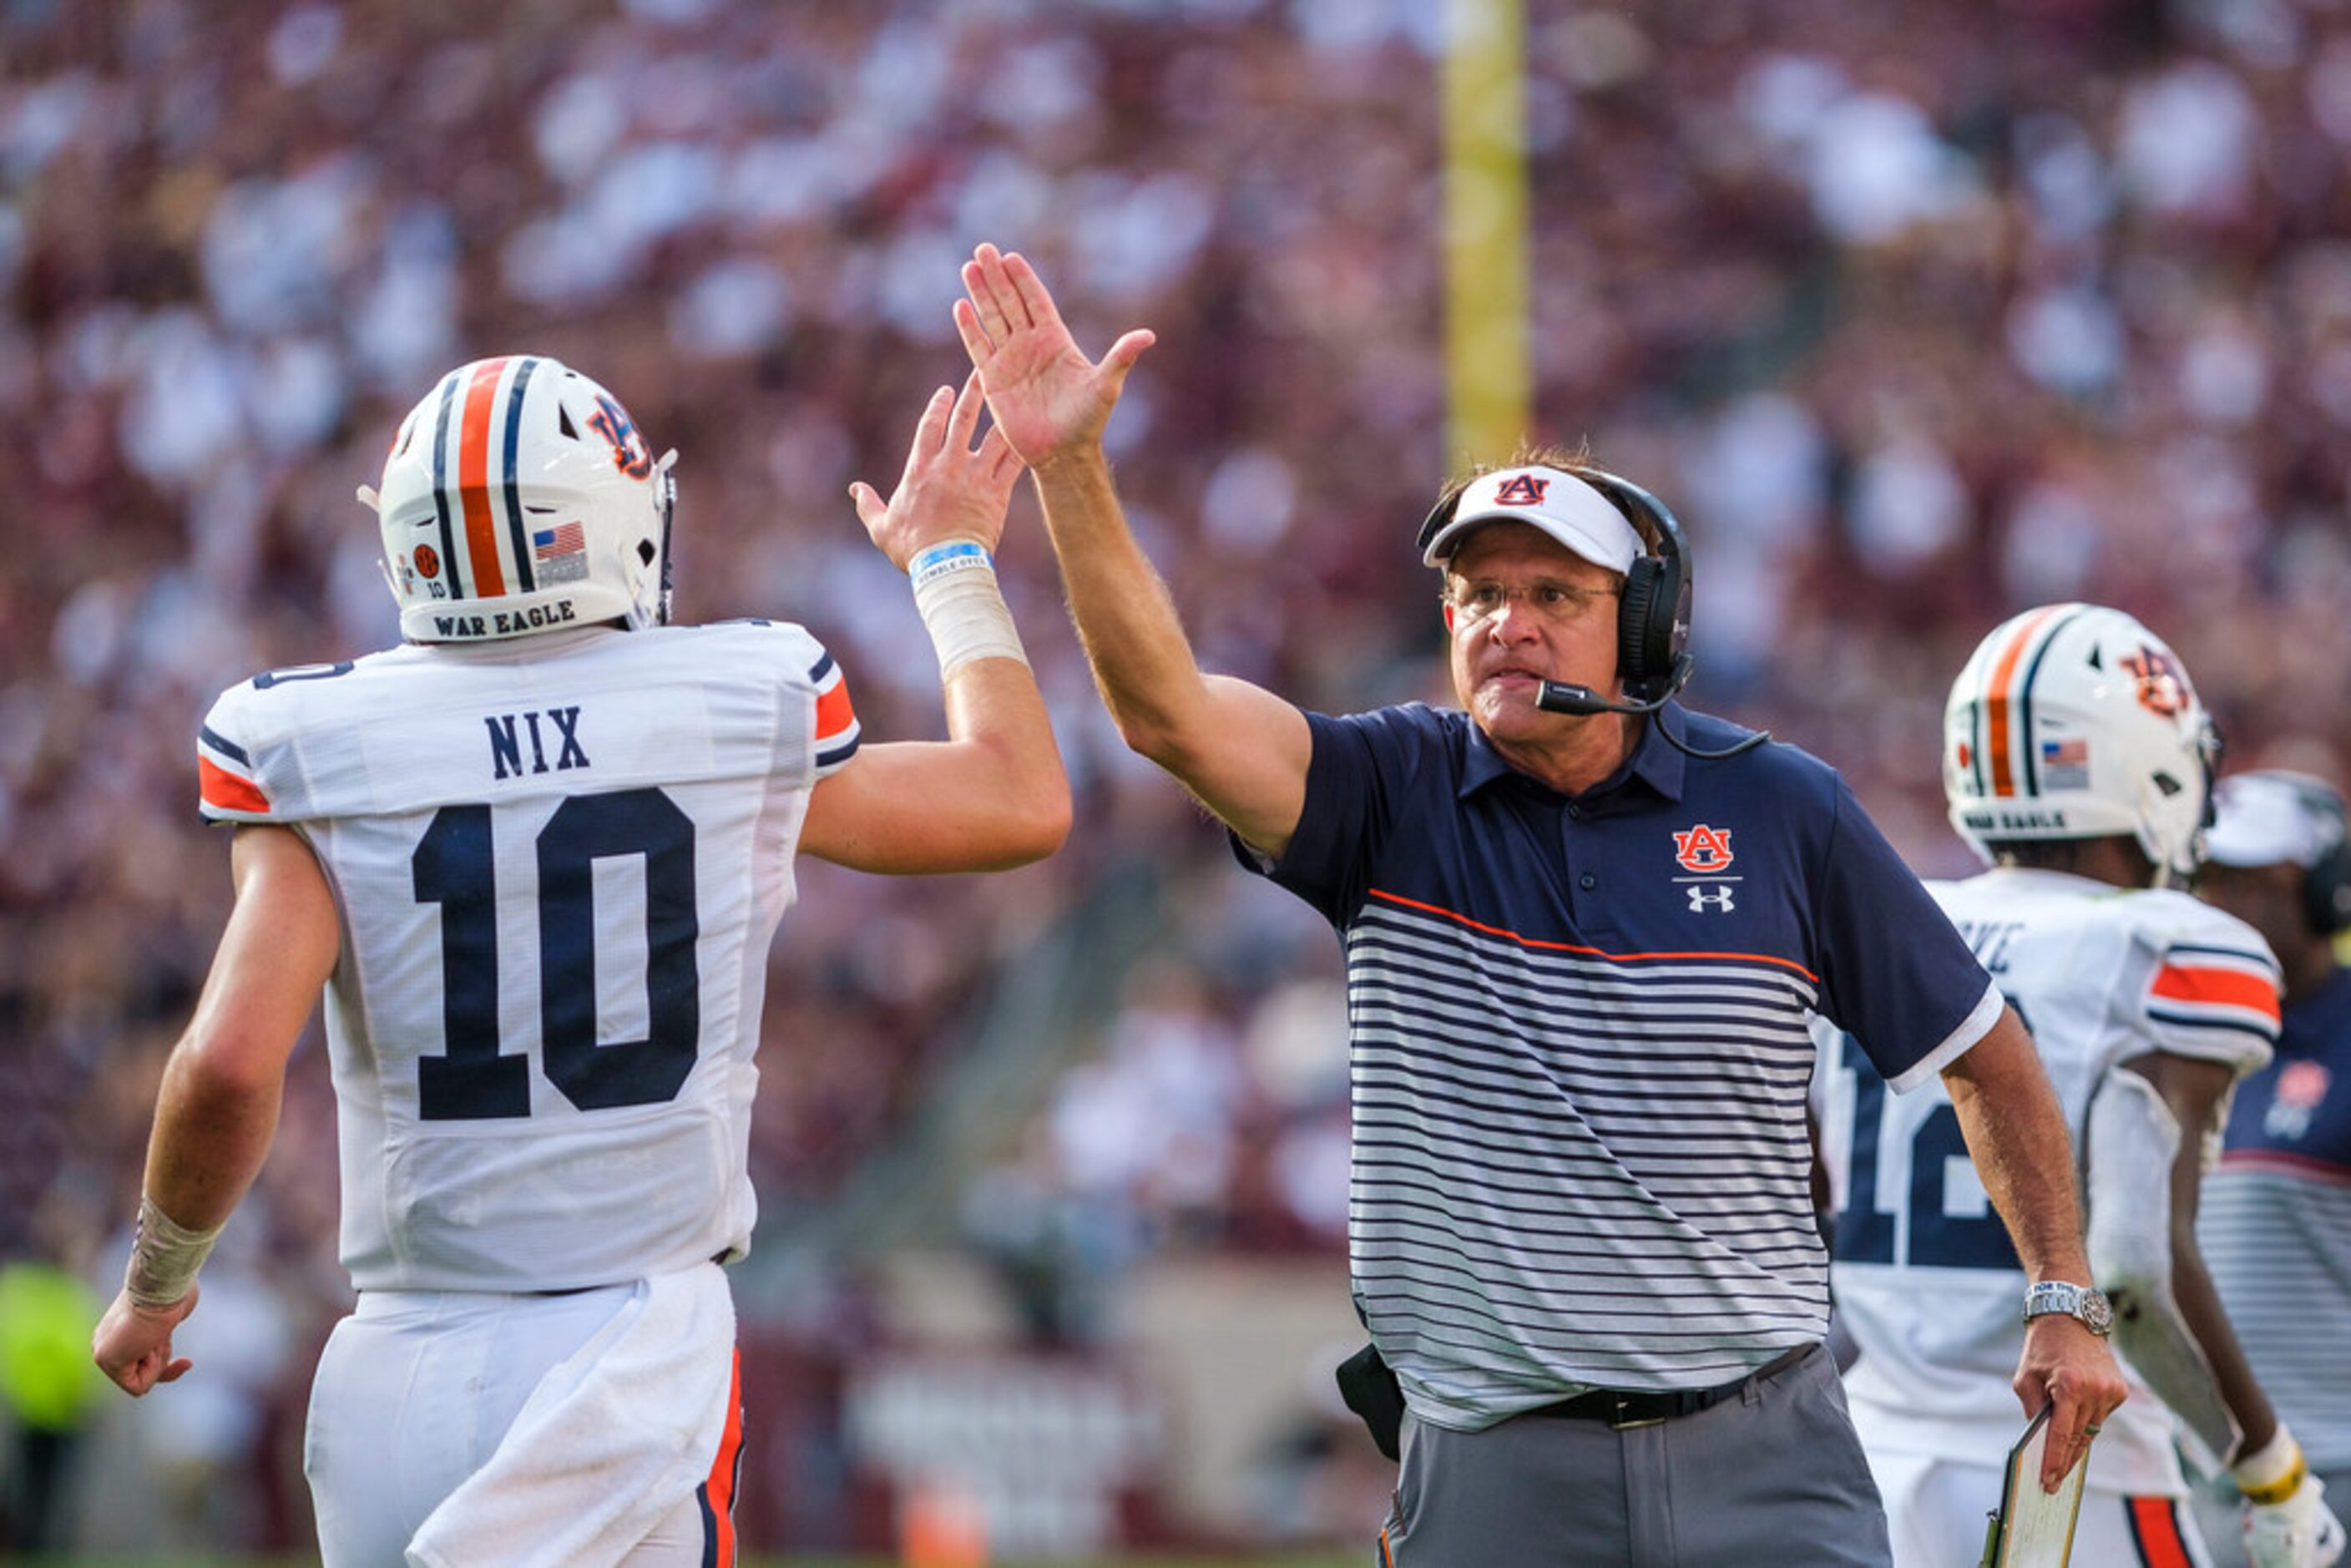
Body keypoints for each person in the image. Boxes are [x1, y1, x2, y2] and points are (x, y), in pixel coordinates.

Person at [946, 241, 2125, 1567]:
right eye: (1478, 593)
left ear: (1648, 628)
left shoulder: (1783, 808)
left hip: (1770, 1447)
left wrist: (2063, 1294)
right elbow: (1166, 710)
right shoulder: (1386, 791)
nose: (1507, 622)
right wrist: (1071, 465)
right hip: (1499, 1463)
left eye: (1555, 594)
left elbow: (1983, 1049)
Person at [88, 356, 1069, 1566]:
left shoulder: (316, 742)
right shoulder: (730, 703)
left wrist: (157, 1277)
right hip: (629, 1353)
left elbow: (232, 1063)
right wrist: (952, 558)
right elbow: (1020, 799)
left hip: (394, 1370)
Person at [1824, 606, 2344, 1568]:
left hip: (1871, 1463)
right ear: (2148, 765)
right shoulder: (2167, 944)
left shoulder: (1889, 919)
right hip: (2074, 1477)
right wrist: (2269, 1470)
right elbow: (2133, 1270)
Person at [2196, 769, 2351, 1566]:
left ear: (2327, 893)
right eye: (2206, 878)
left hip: (2334, 1470)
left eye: (2247, 882)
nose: (2216, 904)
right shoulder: (2183, 1037)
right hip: (2201, 1475)